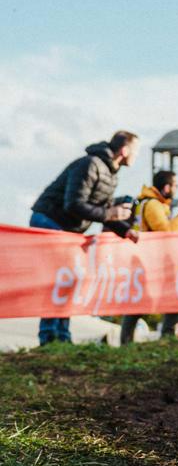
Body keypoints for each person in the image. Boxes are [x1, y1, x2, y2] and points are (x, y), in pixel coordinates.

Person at [30, 131, 140, 345]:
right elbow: (74, 204)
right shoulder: (90, 165)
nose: (136, 156)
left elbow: (102, 209)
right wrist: (111, 214)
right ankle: (50, 336)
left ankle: (61, 335)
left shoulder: (110, 172)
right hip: (49, 220)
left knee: (68, 278)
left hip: (68, 228)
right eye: (135, 150)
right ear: (124, 151)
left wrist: (124, 230)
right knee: (59, 278)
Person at [120, 170, 178, 344]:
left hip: (147, 258)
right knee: (152, 300)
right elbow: (165, 231)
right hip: (150, 260)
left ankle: (127, 340)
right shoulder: (153, 204)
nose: (177, 188)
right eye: (176, 185)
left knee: (142, 300)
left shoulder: (150, 202)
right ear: (167, 187)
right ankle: (161, 336)